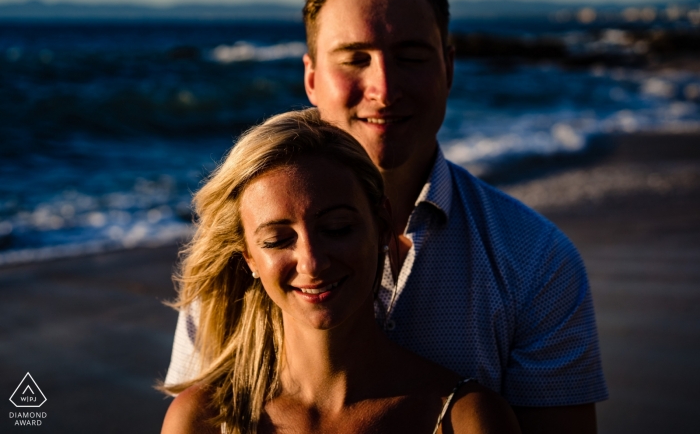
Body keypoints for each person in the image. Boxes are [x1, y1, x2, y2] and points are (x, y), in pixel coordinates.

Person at [165, 0, 608, 432]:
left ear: (449, 68)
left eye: (411, 57)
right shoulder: (241, 260)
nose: (384, 89)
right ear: (312, 78)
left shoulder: (535, 261)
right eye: (355, 59)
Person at [160, 110, 520, 434]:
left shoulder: (465, 418)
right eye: (277, 240)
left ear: (380, 226)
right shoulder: (203, 420)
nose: (312, 262)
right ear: (249, 259)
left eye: (337, 228)